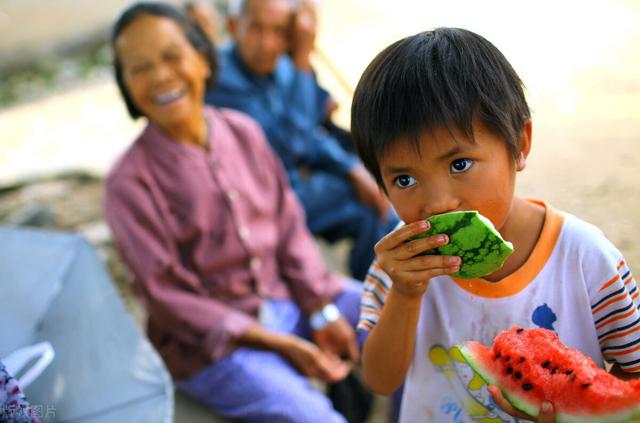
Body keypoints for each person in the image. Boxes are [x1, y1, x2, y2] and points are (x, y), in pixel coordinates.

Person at [349, 27, 640, 422]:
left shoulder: (586, 259)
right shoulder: (398, 266)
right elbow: (380, 380)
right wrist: (405, 294)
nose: (437, 203)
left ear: (520, 144)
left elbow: (634, 376)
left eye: (459, 164)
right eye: (404, 179)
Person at [104, 3, 365, 421]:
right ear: (126, 86)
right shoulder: (128, 184)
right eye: (139, 68)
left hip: (289, 300)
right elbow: (168, 298)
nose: (160, 76)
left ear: (204, 59)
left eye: (172, 56)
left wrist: (320, 307)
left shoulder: (243, 131)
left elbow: (288, 228)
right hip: (216, 347)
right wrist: (280, 344)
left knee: (398, 314)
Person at [204, 0, 399, 280]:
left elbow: (312, 135)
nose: (267, 43)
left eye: (279, 31)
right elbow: (295, 142)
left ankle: (371, 297)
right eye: (256, 28)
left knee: (374, 205)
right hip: (261, 202)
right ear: (234, 27)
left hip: (294, 185)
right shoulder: (221, 77)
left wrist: (350, 168)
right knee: (377, 206)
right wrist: (303, 60)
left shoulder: (282, 67)